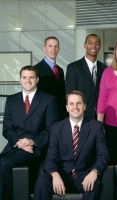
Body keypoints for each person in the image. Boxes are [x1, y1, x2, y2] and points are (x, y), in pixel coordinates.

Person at [34, 90, 110, 200]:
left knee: (95, 184)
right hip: (62, 174)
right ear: (67, 107)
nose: (75, 107)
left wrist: (94, 172)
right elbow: (50, 158)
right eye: (71, 103)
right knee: (42, 181)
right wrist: (55, 174)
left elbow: (104, 155)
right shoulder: (57, 128)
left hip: (85, 175)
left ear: (84, 106)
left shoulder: (96, 127)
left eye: (79, 103)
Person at [0, 66, 58, 200]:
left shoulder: (48, 100)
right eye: (24, 77)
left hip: (36, 148)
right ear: (20, 80)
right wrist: (19, 142)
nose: (28, 80)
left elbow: (52, 129)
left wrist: (32, 141)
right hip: (15, 146)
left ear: (37, 79)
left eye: (31, 77)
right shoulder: (11, 100)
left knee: (5, 163)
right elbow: (7, 128)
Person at [65, 34, 107, 119]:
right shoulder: (73, 67)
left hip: (101, 117)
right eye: (90, 43)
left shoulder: (105, 69)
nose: (93, 46)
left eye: (96, 43)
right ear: (85, 45)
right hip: (81, 116)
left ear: (100, 46)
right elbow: (70, 95)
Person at [34, 36, 67, 120]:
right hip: (44, 115)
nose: (53, 49)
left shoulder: (60, 70)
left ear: (59, 49)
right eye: (50, 46)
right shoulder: (36, 69)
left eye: (56, 46)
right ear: (44, 48)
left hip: (60, 114)